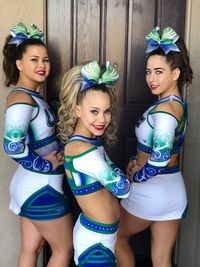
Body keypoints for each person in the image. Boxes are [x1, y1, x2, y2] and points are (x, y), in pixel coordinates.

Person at [115, 26, 193, 267]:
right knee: (161, 260)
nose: (151, 79)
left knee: (115, 238)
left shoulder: (166, 110)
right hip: (172, 191)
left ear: (176, 73)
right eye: (149, 72)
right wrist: (137, 163)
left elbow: (160, 157)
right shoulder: (176, 104)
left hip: (153, 191)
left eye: (159, 72)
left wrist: (139, 174)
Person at [3, 22, 73, 267]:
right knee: (64, 249)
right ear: (19, 64)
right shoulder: (21, 98)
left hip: (33, 184)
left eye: (45, 60)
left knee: (31, 249)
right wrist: (44, 165)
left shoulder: (33, 97)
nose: (42, 66)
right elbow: (12, 145)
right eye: (34, 60)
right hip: (39, 186)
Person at [57, 60, 130, 266]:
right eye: (94, 111)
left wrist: (118, 173)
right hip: (95, 241)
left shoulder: (90, 141)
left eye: (107, 111)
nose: (102, 119)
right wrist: (124, 174)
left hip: (102, 236)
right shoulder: (83, 150)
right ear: (77, 110)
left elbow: (113, 176)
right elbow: (122, 188)